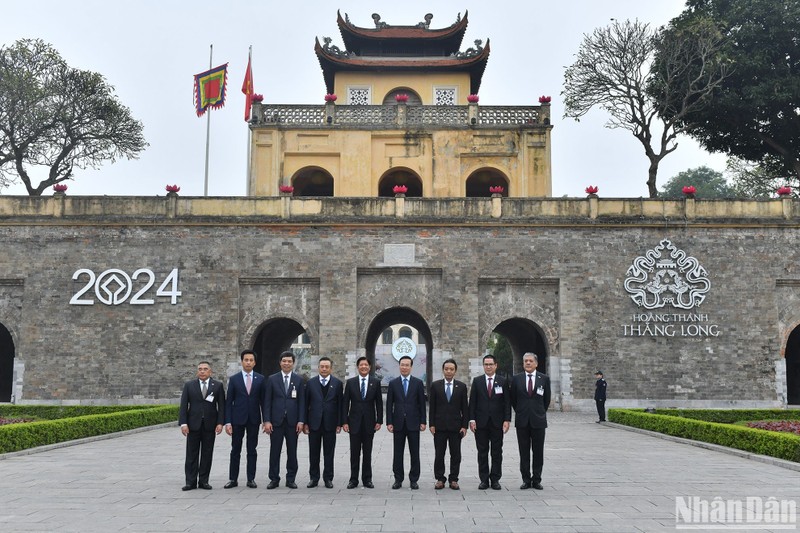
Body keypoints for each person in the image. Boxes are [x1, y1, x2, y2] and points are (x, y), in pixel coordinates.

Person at [262, 351, 306, 489]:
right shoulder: (272, 379)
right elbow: (267, 402)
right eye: (284, 361)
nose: (287, 363)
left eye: (289, 361)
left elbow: (302, 403)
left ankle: (291, 478)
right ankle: (274, 478)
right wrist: (266, 421)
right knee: (275, 451)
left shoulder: (298, 380)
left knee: (292, 451)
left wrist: (301, 421)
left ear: (293, 363)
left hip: (293, 422)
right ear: (280, 362)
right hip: (276, 422)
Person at [178, 361, 225, 491]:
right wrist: (183, 423)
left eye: (205, 369)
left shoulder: (217, 386)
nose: (202, 371)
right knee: (191, 454)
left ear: (210, 371)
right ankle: (190, 481)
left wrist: (220, 423)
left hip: (210, 425)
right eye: (200, 369)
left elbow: (221, 406)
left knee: (207, 453)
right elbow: (183, 406)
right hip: (193, 425)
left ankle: (204, 481)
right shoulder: (189, 385)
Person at [468, 354, 511, 490]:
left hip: (497, 423)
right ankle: (484, 479)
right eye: (486, 364)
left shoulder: (502, 381)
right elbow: (472, 402)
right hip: (481, 423)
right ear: (483, 366)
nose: (488, 367)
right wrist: (472, 419)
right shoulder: (477, 381)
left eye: (491, 364)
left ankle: (495, 479)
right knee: (482, 452)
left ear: (496, 365)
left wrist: (507, 419)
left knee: (497, 452)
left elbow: (507, 402)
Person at [223, 349, 264, 489]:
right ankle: (233, 479)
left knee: (252, 449)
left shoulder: (260, 379)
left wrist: (266, 420)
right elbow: (229, 402)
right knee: (235, 450)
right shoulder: (234, 379)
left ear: (255, 362)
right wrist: (228, 422)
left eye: (251, 360)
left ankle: (251, 478)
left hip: (253, 419)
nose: (248, 362)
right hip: (237, 420)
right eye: (246, 360)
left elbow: (263, 402)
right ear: (242, 362)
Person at [510, 352, 551, 491]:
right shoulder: (516, 379)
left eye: (530, 361)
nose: (528, 363)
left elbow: (546, 400)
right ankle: (526, 479)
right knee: (524, 451)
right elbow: (513, 400)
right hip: (522, 420)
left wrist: (538, 412)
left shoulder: (544, 379)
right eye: (525, 361)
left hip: (538, 420)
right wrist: (522, 411)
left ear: (536, 363)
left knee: (538, 451)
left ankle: (537, 479)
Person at [341, 356, 383, 489]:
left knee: (367, 452)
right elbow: (345, 403)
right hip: (354, 422)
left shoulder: (375, 382)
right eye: (361, 365)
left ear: (369, 367)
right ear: (358, 367)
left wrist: (379, 420)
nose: (364, 367)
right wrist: (344, 421)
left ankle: (367, 479)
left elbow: (379, 403)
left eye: (366, 365)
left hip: (369, 423)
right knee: (354, 452)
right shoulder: (351, 382)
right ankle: (353, 479)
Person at [386, 355, 427, 490]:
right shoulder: (393, 383)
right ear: (399, 366)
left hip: (413, 422)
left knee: (414, 452)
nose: (404, 367)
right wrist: (389, 422)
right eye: (402, 365)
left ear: (411, 367)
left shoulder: (418, 383)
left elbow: (422, 404)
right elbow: (389, 404)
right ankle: (398, 479)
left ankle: (414, 479)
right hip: (398, 423)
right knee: (398, 452)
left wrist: (423, 421)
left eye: (407, 365)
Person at [428, 358, 468, 490]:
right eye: (446, 369)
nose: (449, 371)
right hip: (439, 426)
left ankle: (453, 479)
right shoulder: (435, 385)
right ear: (443, 370)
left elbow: (465, 408)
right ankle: (440, 478)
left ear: (455, 371)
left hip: (456, 427)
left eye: (451, 369)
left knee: (456, 454)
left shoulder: (461, 387)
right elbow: (432, 407)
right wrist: (431, 424)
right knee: (439, 453)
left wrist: (464, 425)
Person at [304, 356, 343, 489]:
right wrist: (305, 423)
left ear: (331, 368)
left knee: (329, 453)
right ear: (318, 368)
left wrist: (339, 423)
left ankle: (328, 478)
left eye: (327, 367)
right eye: (322, 366)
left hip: (330, 424)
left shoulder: (337, 384)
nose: (324, 369)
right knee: (313, 452)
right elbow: (305, 404)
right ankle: (313, 478)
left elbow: (340, 405)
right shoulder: (311, 383)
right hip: (314, 423)